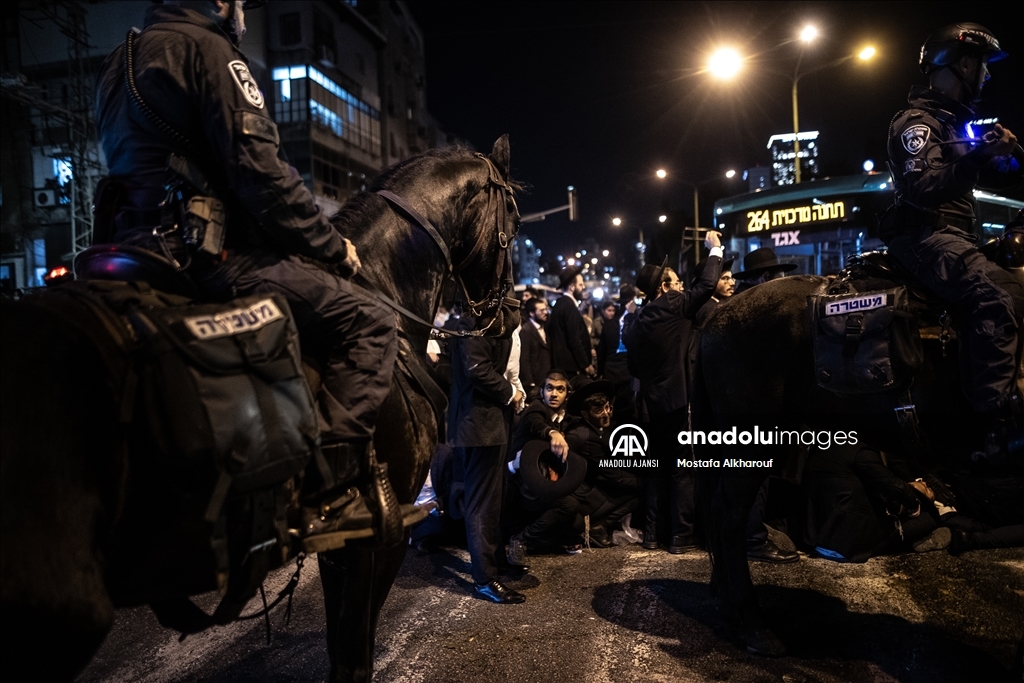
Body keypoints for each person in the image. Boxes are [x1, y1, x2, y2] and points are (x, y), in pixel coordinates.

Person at [93, 0, 405, 545]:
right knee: (372, 319)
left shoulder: (118, 60)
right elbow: (263, 177)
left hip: (128, 250)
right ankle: (328, 489)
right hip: (203, 257)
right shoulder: (212, 51)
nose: (242, 13)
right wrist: (332, 247)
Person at [885, 22, 1023, 460]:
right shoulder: (917, 123)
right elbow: (924, 187)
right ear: (963, 64)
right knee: (1000, 294)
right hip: (926, 239)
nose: (987, 76)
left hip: (956, 236)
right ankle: (996, 427)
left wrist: (1001, 158)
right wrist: (981, 155)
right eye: (982, 66)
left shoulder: (953, 124)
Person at [623, 233, 723, 553]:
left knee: (656, 471)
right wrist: (714, 250)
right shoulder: (673, 304)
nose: (682, 286)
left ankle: (652, 535)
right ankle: (681, 536)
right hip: (680, 405)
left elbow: (634, 370)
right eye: (677, 282)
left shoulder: (635, 325)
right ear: (663, 287)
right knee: (683, 469)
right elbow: (706, 287)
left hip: (652, 407)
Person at [448, 315, 526, 603]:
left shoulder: (486, 318)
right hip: (479, 425)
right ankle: (485, 578)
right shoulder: (472, 320)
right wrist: (511, 394)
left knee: (494, 498)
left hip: (491, 423)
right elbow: (477, 369)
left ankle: (495, 561)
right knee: (482, 503)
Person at [506, 371, 583, 561]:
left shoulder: (563, 416)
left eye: (560, 389)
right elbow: (535, 422)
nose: (554, 394)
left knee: (576, 522)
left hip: (542, 482)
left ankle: (538, 540)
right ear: (542, 391)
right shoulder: (537, 408)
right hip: (519, 485)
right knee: (569, 506)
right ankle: (521, 539)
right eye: (549, 388)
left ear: (567, 394)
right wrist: (552, 433)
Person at [564, 378, 642, 547]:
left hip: (592, 486)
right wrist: (641, 482)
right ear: (585, 414)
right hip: (584, 497)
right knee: (640, 493)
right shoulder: (586, 438)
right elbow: (613, 474)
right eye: (599, 410)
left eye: (607, 407)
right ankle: (599, 528)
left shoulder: (590, 428)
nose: (606, 413)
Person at [548, 266, 595, 379]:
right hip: (570, 367)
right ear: (572, 287)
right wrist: (585, 364)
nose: (583, 287)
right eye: (580, 284)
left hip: (564, 365)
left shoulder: (561, 304)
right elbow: (574, 339)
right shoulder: (568, 306)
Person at [519, 298, 552, 402]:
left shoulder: (545, 328)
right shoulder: (526, 331)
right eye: (541, 311)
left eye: (545, 309)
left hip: (545, 379)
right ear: (531, 313)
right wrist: (530, 383)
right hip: (535, 382)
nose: (545, 313)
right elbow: (524, 359)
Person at [731, 248, 796, 296]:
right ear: (766, 276)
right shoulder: (759, 304)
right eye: (780, 279)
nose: (783, 284)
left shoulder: (740, 298)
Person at [694, 258, 735, 329]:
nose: (732, 283)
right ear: (710, 280)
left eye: (732, 278)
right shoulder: (709, 309)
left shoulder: (717, 303)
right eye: (725, 278)